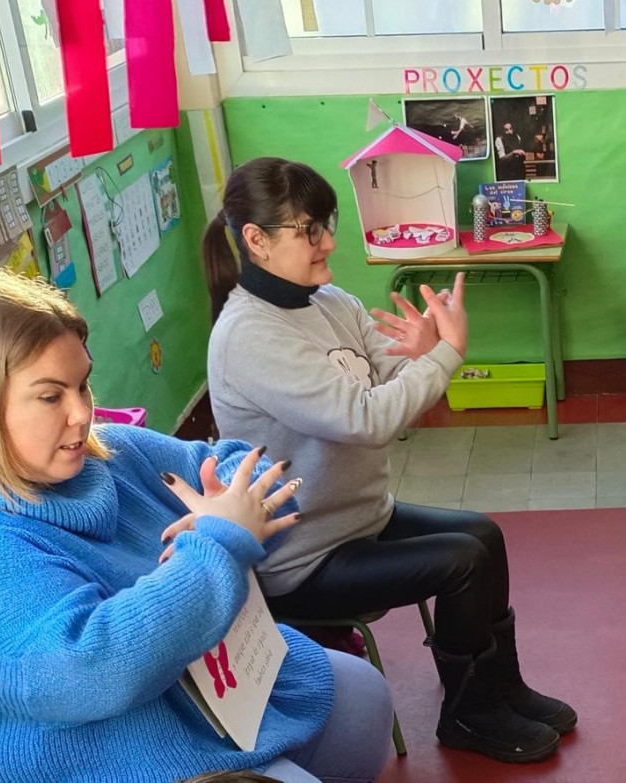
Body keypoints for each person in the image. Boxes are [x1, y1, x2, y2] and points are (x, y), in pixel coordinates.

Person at [0, 268, 394, 783]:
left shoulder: (105, 455)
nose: (82, 413)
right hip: (94, 758)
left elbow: (237, 464)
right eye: (52, 396)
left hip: (191, 696)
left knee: (363, 693)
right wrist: (217, 544)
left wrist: (235, 499)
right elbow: (87, 674)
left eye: (83, 384)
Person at [201, 157, 576, 764]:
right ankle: (469, 715)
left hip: (360, 518)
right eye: (309, 230)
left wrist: (424, 352)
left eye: (327, 223)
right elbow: (369, 419)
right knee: (460, 561)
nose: (330, 241)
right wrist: (445, 356)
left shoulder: (328, 301)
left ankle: (499, 686)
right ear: (256, 240)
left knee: (485, 534)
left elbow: (392, 372)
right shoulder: (249, 336)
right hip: (304, 556)